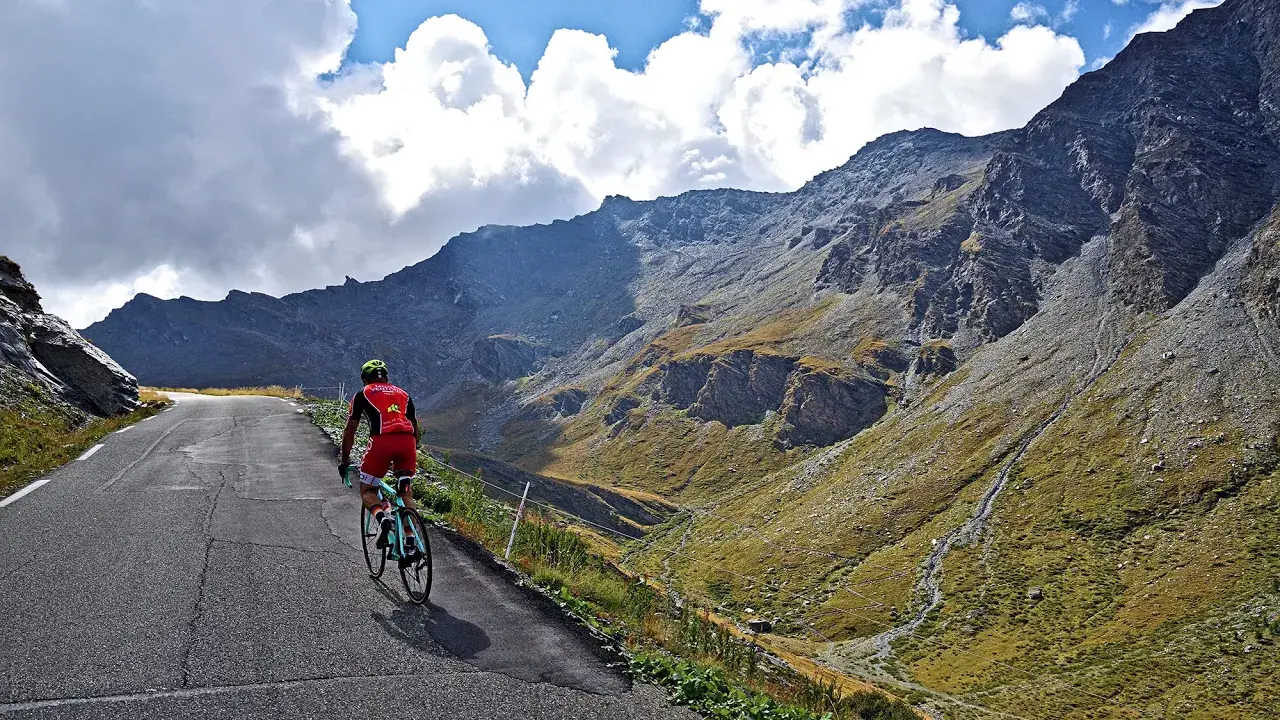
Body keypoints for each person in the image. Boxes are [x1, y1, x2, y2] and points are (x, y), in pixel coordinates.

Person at [339, 359, 422, 558]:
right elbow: (415, 427)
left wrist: (345, 460)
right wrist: (410, 449)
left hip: (381, 441)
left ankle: (381, 517)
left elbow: (350, 429)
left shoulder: (363, 394)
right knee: (405, 492)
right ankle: (410, 540)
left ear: (364, 378)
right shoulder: (403, 394)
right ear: (385, 376)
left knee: (368, 489)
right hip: (407, 442)